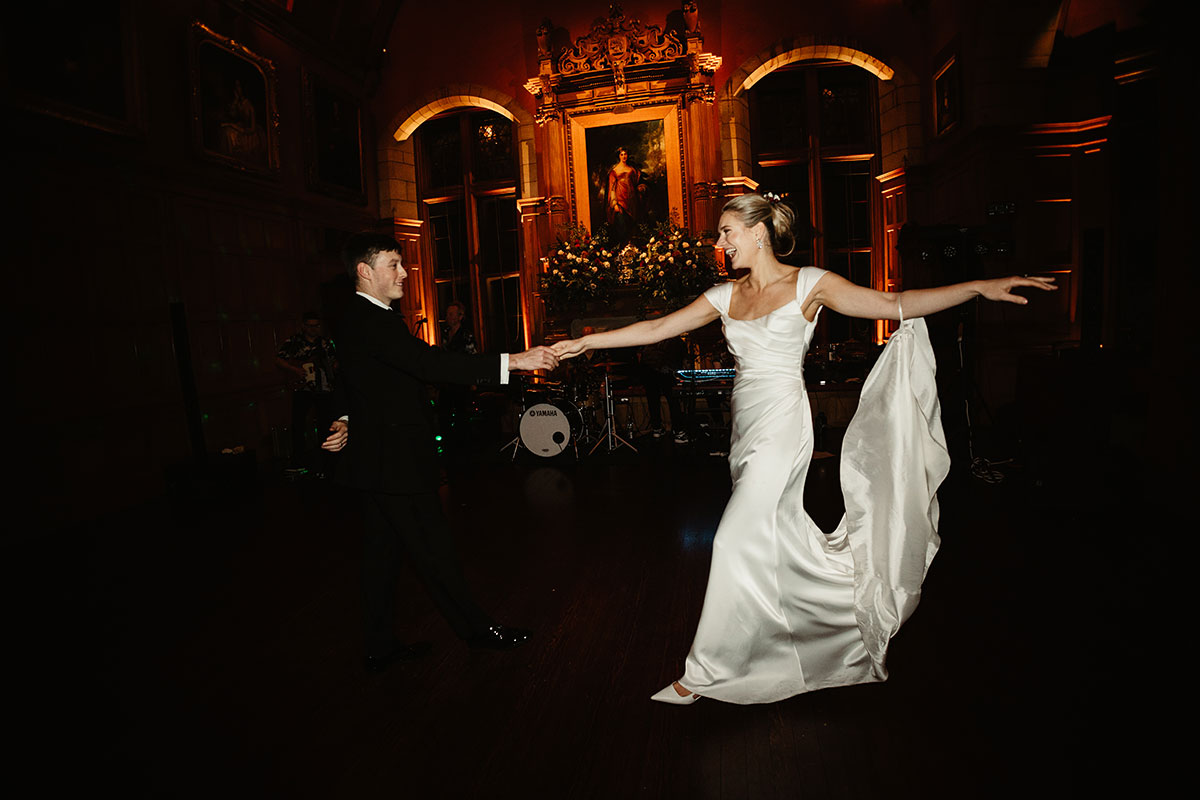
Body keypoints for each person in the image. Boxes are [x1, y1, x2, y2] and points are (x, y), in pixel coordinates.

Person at [551, 193, 1056, 704]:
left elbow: (891, 304)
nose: (720, 243)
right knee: (771, 541)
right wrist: (588, 343)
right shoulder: (725, 296)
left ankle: (703, 673)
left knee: (729, 539)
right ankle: (827, 625)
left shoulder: (810, 283)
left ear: (759, 232)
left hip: (784, 424)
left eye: (728, 232)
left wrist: (976, 286)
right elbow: (659, 326)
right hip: (745, 427)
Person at [320, 233, 558, 672]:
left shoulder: (365, 317)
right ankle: (478, 632)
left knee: (381, 558)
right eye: (394, 264)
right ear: (365, 271)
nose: (405, 272)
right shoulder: (368, 318)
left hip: (378, 459)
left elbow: (355, 380)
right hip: (394, 462)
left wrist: (346, 420)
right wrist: (514, 362)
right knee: (433, 550)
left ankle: (378, 645)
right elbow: (429, 365)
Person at [276, 311, 337, 477]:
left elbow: (333, 362)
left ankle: (327, 462)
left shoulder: (325, 343)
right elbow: (279, 359)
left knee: (325, 425)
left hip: (322, 388)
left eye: (316, 325)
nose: (313, 329)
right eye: (310, 326)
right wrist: (295, 370)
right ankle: (298, 461)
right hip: (303, 389)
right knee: (299, 424)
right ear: (304, 326)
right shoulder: (294, 341)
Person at [606, 147, 644, 244]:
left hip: (632, 202)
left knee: (632, 226)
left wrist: (641, 188)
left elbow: (636, 184)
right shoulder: (614, 171)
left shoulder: (632, 170)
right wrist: (614, 204)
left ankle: (632, 249)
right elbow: (612, 189)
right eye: (622, 154)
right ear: (619, 156)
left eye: (625, 154)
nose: (624, 156)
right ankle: (623, 249)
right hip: (620, 203)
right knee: (622, 226)